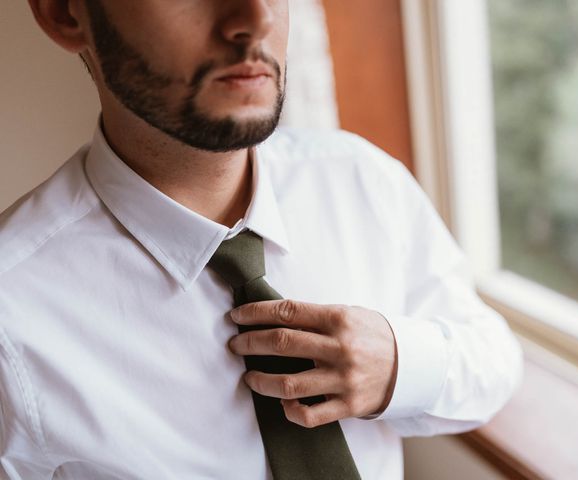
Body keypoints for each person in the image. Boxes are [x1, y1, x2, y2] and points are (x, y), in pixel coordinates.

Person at [0, 0, 523, 478]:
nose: (256, 19)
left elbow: (493, 361)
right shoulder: (13, 316)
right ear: (65, 14)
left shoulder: (361, 180)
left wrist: (397, 365)